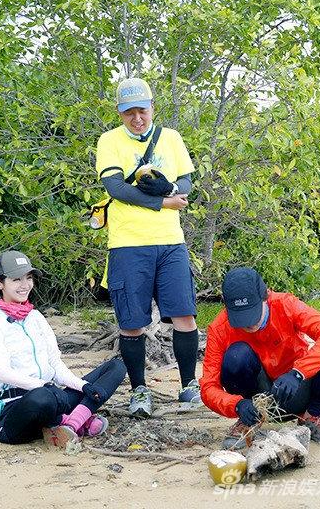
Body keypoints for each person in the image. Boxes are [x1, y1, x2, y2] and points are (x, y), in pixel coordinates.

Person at [95, 76, 200, 417]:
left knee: (184, 315)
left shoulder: (170, 138)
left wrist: (170, 187)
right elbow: (115, 188)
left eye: (142, 110)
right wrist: (160, 203)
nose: (137, 118)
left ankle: (189, 386)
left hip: (171, 243)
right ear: (119, 113)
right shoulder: (109, 141)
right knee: (131, 322)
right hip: (128, 244)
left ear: (153, 107)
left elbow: (186, 180)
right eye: (129, 113)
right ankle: (140, 390)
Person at [0, 251, 126, 447]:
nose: (25, 285)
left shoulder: (35, 317)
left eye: (28, 278)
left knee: (115, 367)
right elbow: (0, 371)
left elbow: (55, 364)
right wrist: (43, 386)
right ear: (0, 284)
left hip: (53, 397)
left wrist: (83, 387)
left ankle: (70, 424)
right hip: (16, 410)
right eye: (16, 279)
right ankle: (76, 418)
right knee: (42, 398)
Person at [200, 267, 320, 448]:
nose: (248, 324)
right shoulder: (219, 327)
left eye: (251, 313)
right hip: (256, 402)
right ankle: (249, 421)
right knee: (236, 356)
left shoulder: (285, 304)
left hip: (297, 390)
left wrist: (298, 373)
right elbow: (208, 387)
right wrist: (237, 405)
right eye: (241, 317)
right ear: (225, 305)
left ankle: (311, 417)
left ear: (265, 296)